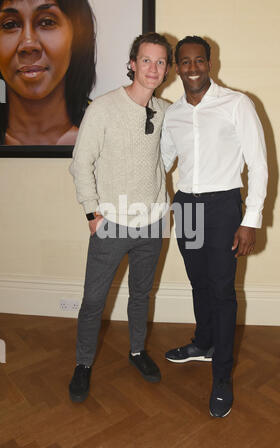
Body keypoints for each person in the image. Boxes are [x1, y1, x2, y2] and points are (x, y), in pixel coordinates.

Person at [161, 36, 268, 418]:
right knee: (198, 283)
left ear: (210, 63)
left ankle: (221, 375)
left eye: (199, 61)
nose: (192, 69)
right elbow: (164, 160)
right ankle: (203, 343)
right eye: (185, 62)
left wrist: (249, 219)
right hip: (187, 206)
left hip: (224, 207)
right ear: (176, 67)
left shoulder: (236, 104)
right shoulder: (172, 113)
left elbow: (258, 164)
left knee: (222, 291)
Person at [68, 32, 172, 403]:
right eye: (146, 60)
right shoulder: (103, 107)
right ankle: (83, 365)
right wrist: (92, 213)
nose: (153, 68)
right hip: (111, 223)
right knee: (94, 300)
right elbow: (81, 163)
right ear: (132, 64)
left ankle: (137, 352)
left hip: (154, 222)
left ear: (166, 69)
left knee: (141, 294)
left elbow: (166, 158)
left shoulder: (164, 111)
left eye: (160, 62)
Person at [0, 0, 96, 145]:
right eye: (10, 25)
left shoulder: (110, 132)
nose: (28, 44)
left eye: (47, 22)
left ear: (77, 35)